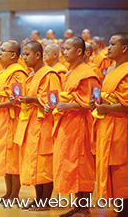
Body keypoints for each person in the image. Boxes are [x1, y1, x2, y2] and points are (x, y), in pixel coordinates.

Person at [53, 37, 98, 216]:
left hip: (81, 124)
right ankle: (78, 206)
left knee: (81, 164)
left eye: (67, 49)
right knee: (71, 164)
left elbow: (93, 101)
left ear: (79, 52)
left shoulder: (88, 73)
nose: (64, 52)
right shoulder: (71, 72)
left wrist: (69, 105)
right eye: (63, 48)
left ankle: (85, 208)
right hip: (68, 123)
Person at [14, 41, 61, 211]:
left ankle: (46, 201)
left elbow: (53, 101)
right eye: (23, 54)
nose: (24, 58)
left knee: (44, 163)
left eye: (27, 54)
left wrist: (32, 100)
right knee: (34, 163)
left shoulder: (49, 74)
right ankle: (38, 199)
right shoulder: (32, 75)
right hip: (32, 123)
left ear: (38, 55)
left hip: (45, 124)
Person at [0, 40, 28, 201]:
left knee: (12, 158)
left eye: (3, 50)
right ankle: (8, 192)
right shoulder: (3, 72)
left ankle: (14, 194)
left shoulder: (18, 73)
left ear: (13, 55)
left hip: (11, 119)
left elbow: (17, 99)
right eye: (0, 49)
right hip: (1, 118)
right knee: (5, 159)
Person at [91, 33, 128, 216]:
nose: (108, 48)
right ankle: (118, 205)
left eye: (113, 44)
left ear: (124, 49)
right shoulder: (114, 71)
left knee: (121, 167)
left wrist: (107, 108)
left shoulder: (126, 71)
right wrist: (98, 106)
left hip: (121, 126)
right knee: (110, 166)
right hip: (107, 124)